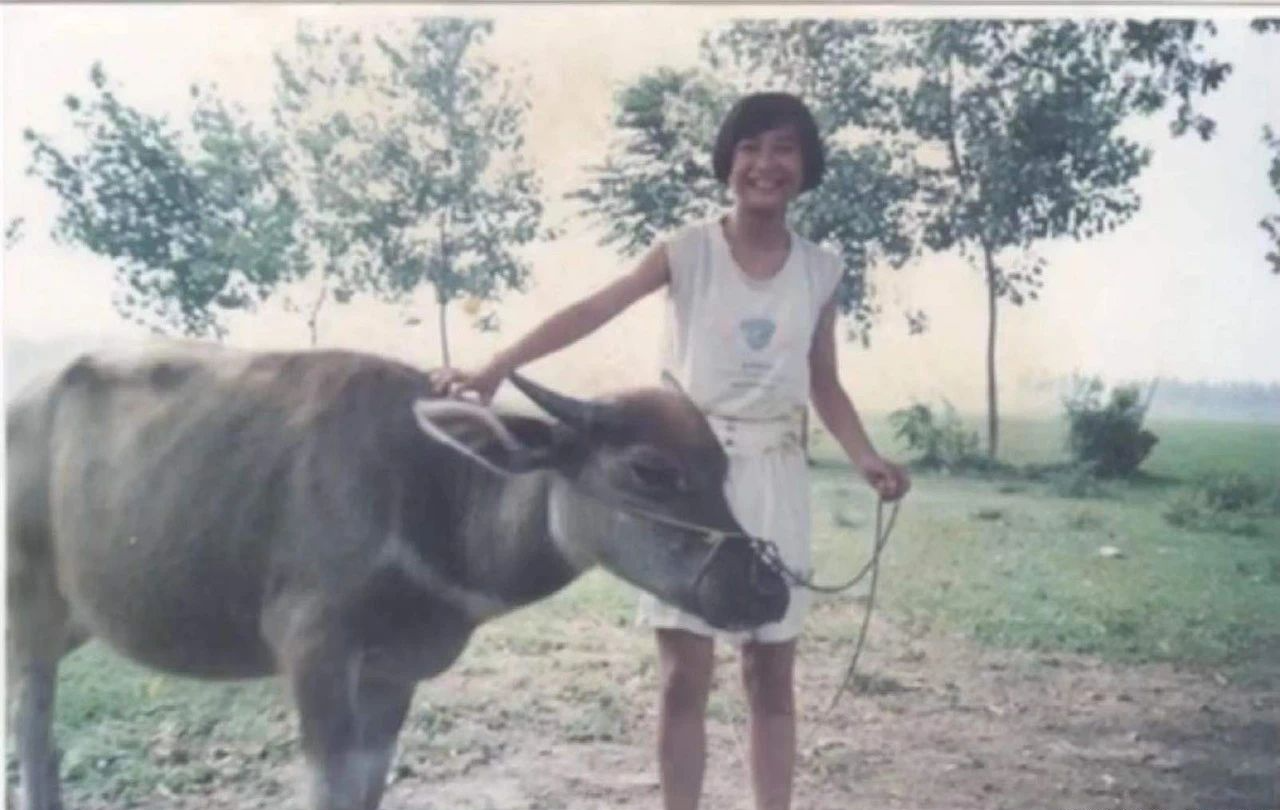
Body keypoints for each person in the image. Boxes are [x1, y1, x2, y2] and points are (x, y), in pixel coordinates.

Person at [430, 91, 910, 810]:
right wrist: (499, 364)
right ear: (727, 163)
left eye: (783, 148)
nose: (764, 163)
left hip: (774, 475)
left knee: (769, 675)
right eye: (748, 147)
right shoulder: (687, 250)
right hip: (682, 475)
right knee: (684, 677)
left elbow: (823, 382)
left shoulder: (821, 270)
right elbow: (598, 305)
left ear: (807, 165)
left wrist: (865, 454)